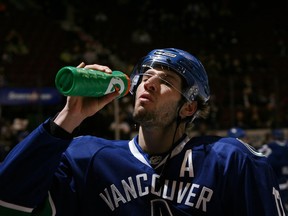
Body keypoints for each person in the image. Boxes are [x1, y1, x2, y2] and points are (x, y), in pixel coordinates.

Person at [0, 48, 286, 215]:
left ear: (188, 108)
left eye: (165, 81)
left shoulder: (231, 161)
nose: (147, 84)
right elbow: (8, 200)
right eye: (145, 76)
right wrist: (67, 117)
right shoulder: (87, 158)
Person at [258, 129, 288, 213]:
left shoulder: (270, 146)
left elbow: (258, 158)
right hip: (281, 178)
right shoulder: (281, 145)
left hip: (276, 179)